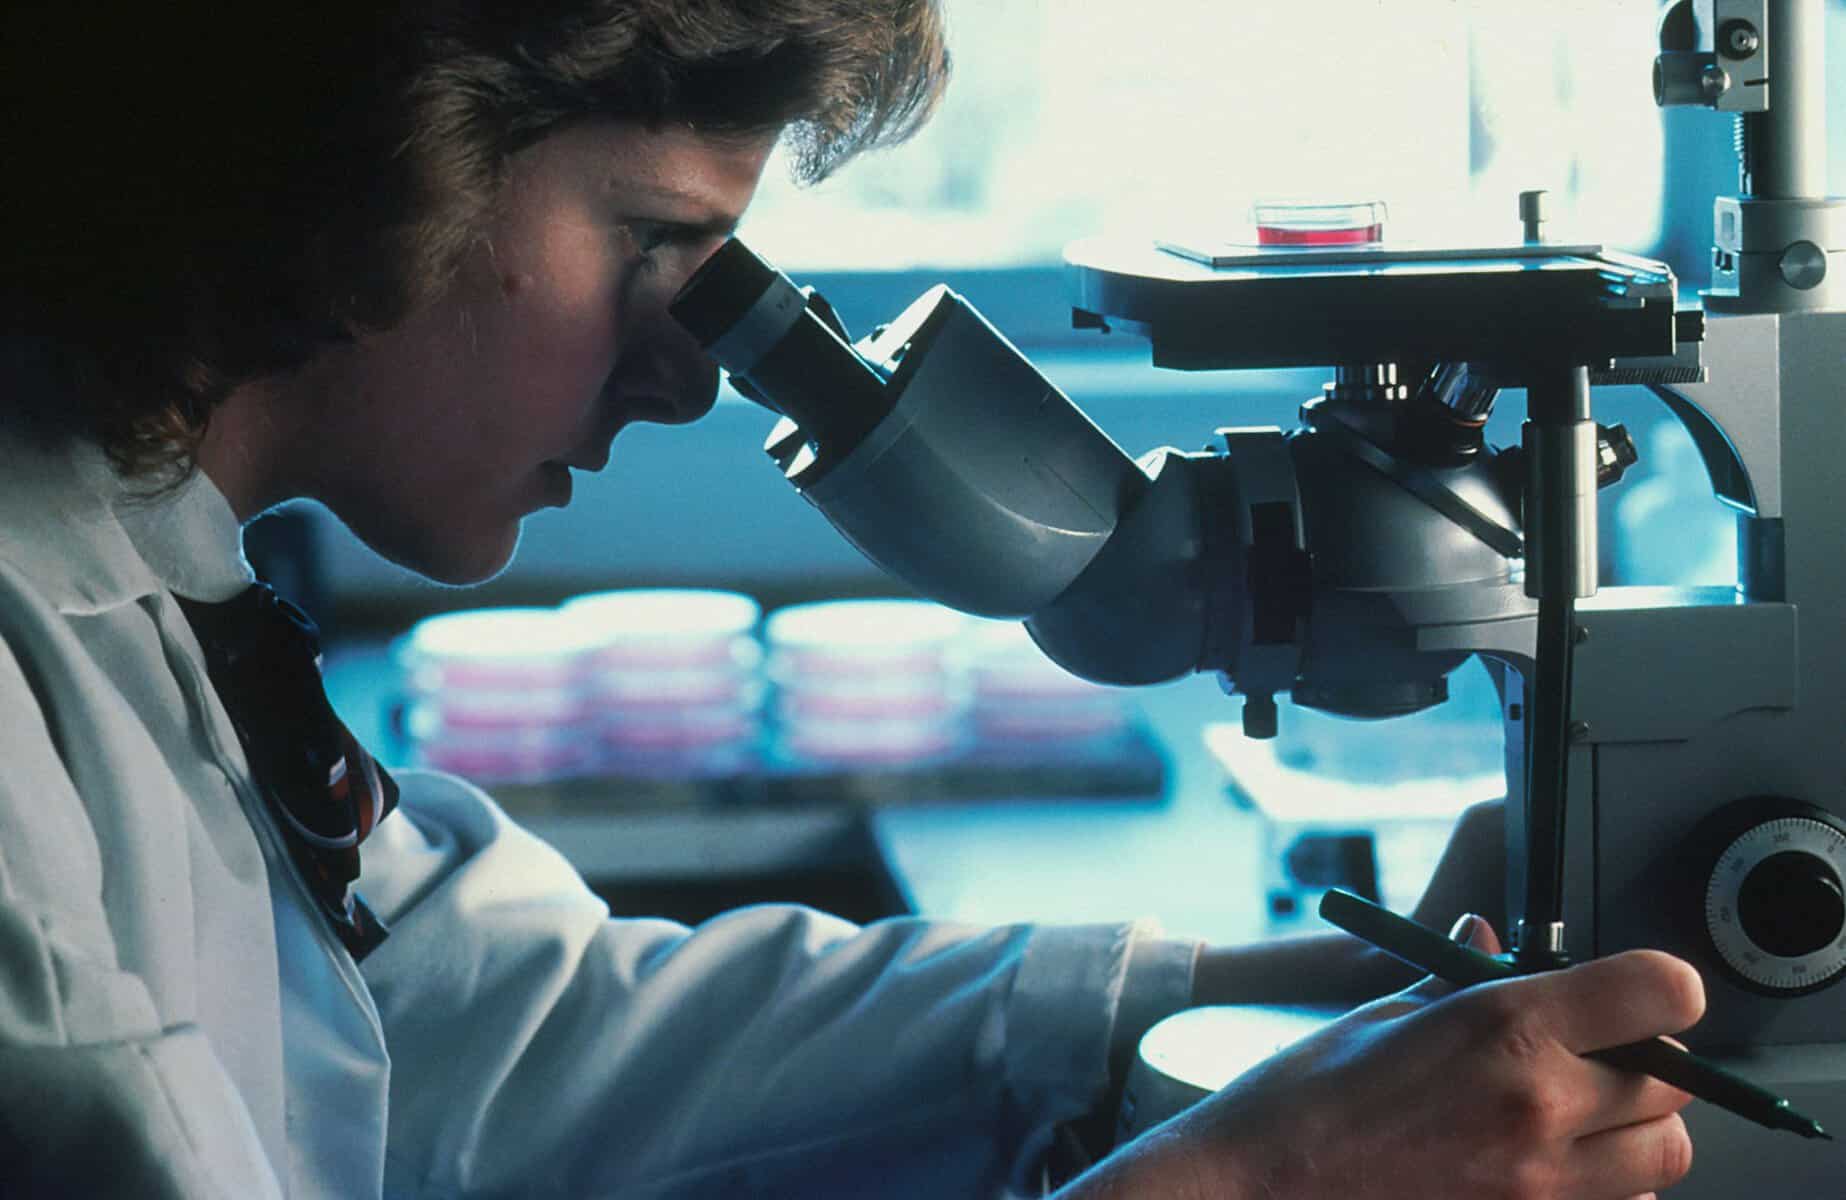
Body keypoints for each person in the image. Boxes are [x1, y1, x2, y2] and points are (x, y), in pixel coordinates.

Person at [0, 3, 1704, 1197]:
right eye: (650, 245)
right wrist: (1254, 1183)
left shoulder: (165, 573)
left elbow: (495, 1041)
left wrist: (1245, 1003)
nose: (683, 384)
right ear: (387, 160)